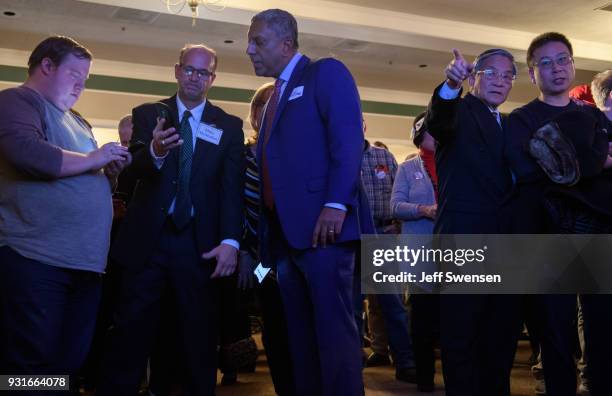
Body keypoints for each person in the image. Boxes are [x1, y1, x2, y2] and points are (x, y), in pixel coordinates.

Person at [98, 43, 244, 396]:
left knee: (195, 339)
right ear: (177, 71)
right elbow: (132, 174)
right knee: (131, 334)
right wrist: (154, 151)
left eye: (203, 72)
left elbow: (231, 190)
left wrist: (231, 241)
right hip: (148, 243)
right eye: (189, 70)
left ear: (213, 77)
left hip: (199, 247)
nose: (195, 77)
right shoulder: (149, 114)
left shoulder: (228, 125)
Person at [246, 8, 372, 395]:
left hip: (323, 231)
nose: (249, 49)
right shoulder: (271, 100)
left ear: (286, 44)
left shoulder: (325, 73)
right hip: (284, 238)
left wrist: (336, 203)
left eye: (258, 41)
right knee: (298, 339)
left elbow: (348, 141)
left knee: (333, 337)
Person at [0, 35, 130, 391]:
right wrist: (94, 158)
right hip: (37, 259)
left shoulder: (77, 120)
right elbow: (27, 153)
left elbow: (83, 176)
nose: (81, 85)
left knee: (68, 365)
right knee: (29, 368)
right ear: (46, 66)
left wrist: (108, 172)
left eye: (85, 79)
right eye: (75, 74)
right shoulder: (17, 101)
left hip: (83, 264)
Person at [505, 32, 612, 396]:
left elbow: (581, 169)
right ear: (532, 73)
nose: (557, 68)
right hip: (546, 237)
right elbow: (531, 171)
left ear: (573, 63)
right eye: (545, 63)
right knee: (555, 331)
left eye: (563, 59)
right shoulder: (520, 119)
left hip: (596, 233)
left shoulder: (594, 116)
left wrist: (569, 162)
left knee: (602, 327)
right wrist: (594, 163)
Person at [424, 47, 522, 396]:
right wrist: (450, 84)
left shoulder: (511, 125)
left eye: (508, 75)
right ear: (473, 77)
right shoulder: (460, 110)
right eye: (491, 73)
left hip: (505, 249)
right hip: (462, 244)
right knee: (461, 339)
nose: (500, 81)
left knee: (500, 340)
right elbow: (438, 120)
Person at [234, 82, 296, 395]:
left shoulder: (296, 152)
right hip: (259, 258)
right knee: (272, 320)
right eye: (263, 106)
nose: (270, 110)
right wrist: (245, 253)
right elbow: (236, 209)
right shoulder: (243, 156)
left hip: (295, 255)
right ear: (255, 115)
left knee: (297, 322)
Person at [391, 112, 439, 392]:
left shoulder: (453, 163)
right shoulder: (408, 169)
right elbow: (395, 206)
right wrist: (423, 209)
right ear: (420, 135)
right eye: (433, 132)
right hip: (420, 254)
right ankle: (424, 380)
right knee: (422, 322)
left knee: (454, 321)